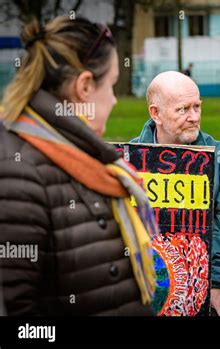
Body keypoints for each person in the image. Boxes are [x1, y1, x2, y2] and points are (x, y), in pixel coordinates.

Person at [0, 16, 156, 316]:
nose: (114, 101)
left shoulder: (80, 153)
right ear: (84, 86)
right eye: (111, 86)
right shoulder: (17, 173)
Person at [131, 71, 220, 315]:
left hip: (204, 289)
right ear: (156, 114)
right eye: (183, 109)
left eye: (197, 107)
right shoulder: (129, 161)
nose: (194, 117)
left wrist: (216, 283)